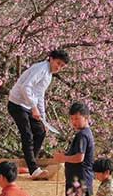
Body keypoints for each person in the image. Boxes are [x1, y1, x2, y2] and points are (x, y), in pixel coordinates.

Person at [7, 49, 69, 179]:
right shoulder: (41, 68)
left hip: (28, 105)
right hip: (17, 103)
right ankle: (34, 169)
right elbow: (25, 87)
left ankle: (30, 164)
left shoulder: (49, 75)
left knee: (40, 131)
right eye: (58, 63)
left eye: (62, 66)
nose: (59, 67)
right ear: (51, 59)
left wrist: (43, 119)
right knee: (27, 134)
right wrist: (34, 108)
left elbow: (40, 96)